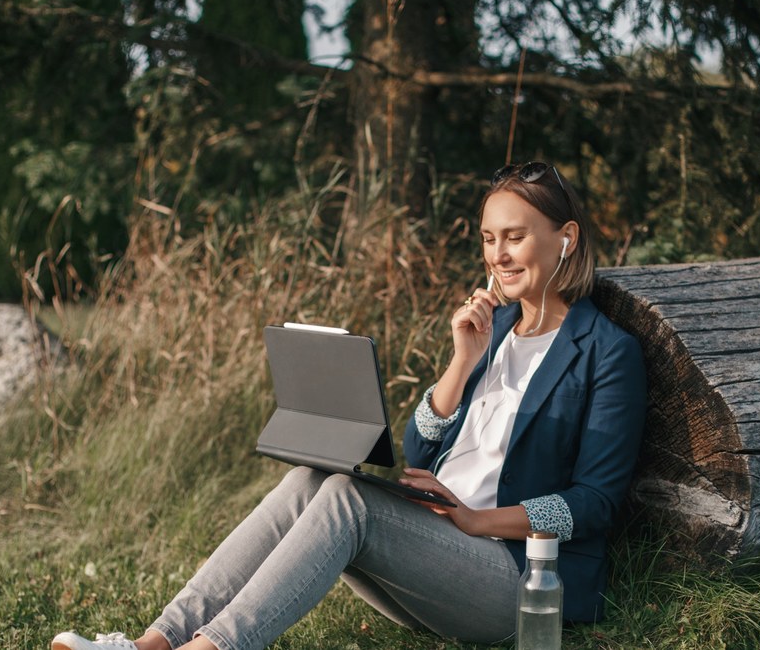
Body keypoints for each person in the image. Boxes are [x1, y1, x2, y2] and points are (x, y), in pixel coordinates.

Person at [51, 161, 648, 650]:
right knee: (313, 476)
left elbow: (593, 504)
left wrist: (474, 519)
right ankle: (150, 645)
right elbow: (421, 449)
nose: (498, 255)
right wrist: (461, 360)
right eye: (489, 239)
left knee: (345, 498)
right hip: (433, 556)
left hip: (515, 578)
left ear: (565, 238)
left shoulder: (605, 352)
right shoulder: (492, 332)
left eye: (515, 237)